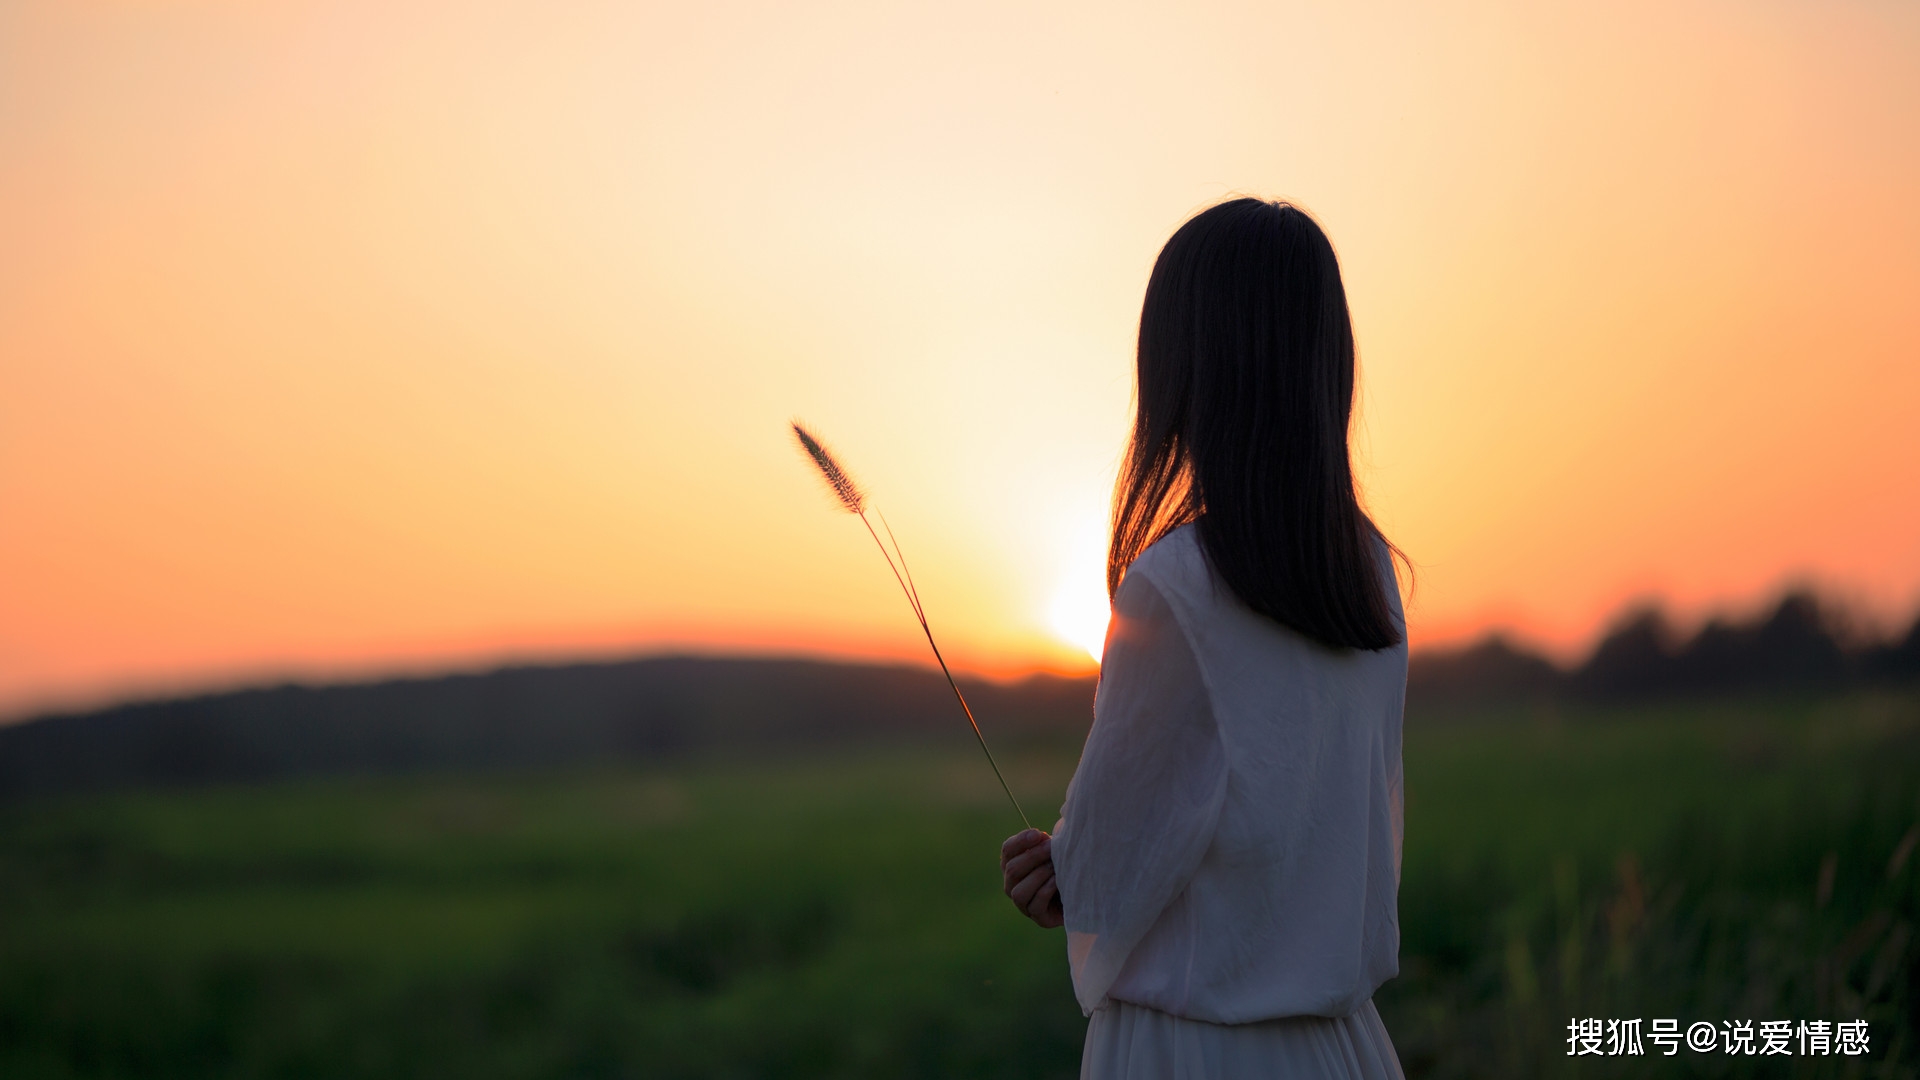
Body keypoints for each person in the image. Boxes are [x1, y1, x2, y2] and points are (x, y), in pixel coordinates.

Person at [1000, 198, 1410, 1079]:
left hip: (1192, 1050)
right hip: (1345, 1050)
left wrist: (1059, 872)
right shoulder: (1371, 575)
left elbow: (1107, 879)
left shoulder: (1177, 586)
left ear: (1185, 363)